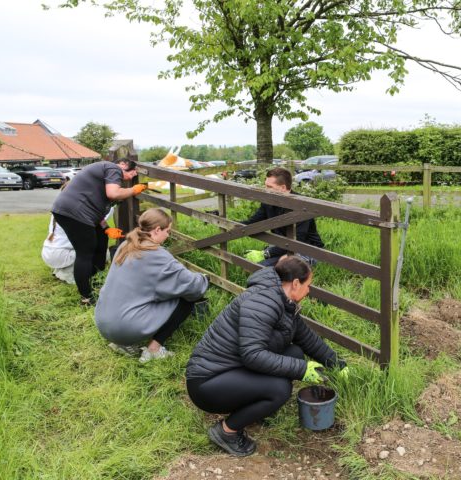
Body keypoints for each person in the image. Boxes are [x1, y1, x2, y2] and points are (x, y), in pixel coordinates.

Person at [185, 255, 346, 457]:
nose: (309, 290)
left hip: (231, 369)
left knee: (295, 353)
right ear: (295, 284)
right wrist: (302, 369)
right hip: (207, 382)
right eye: (308, 285)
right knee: (279, 389)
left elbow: (306, 338)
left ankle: (255, 409)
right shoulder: (263, 302)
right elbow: (253, 355)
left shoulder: (281, 299)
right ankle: (227, 431)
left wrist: (339, 365)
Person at [95, 208, 209, 363]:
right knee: (186, 298)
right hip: (124, 327)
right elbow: (193, 287)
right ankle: (154, 349)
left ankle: (122, 344)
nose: (168, 235)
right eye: (167, 231)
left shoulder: (125, 245)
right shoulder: (157, 255)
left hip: (103, 322)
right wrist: (204, 278)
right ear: (156, 230)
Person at [51, 158, 147, 306]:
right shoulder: (112, 168)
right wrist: (133, 190)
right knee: (85, 252)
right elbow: (113, 194)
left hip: (73, 211)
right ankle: (87, 297)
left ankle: (97, 280)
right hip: (75, 213)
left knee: (101, 240)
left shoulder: (101, 175)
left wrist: (106, 228)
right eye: (133, 172)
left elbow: (96, 209)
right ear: (123, 165)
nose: (132, 176)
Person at [242, 167, 324, 266]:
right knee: (252, 263)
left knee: (266, 267)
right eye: (265, 186)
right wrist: (225, 220)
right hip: (282, 245)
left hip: (307, 250)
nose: (265, 190)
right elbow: (252, 223)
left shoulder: (302, 205)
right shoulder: (268, 201)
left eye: (270, 187)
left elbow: (297, 241)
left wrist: (267, 253)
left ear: (283, 188)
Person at [42, 206, 116, 284]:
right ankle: (66, 273)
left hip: (48, 251)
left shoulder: (63, 206)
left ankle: (63, 268)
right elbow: (99, 218)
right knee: (103, 255)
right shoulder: (82, 210)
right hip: (60, 253)